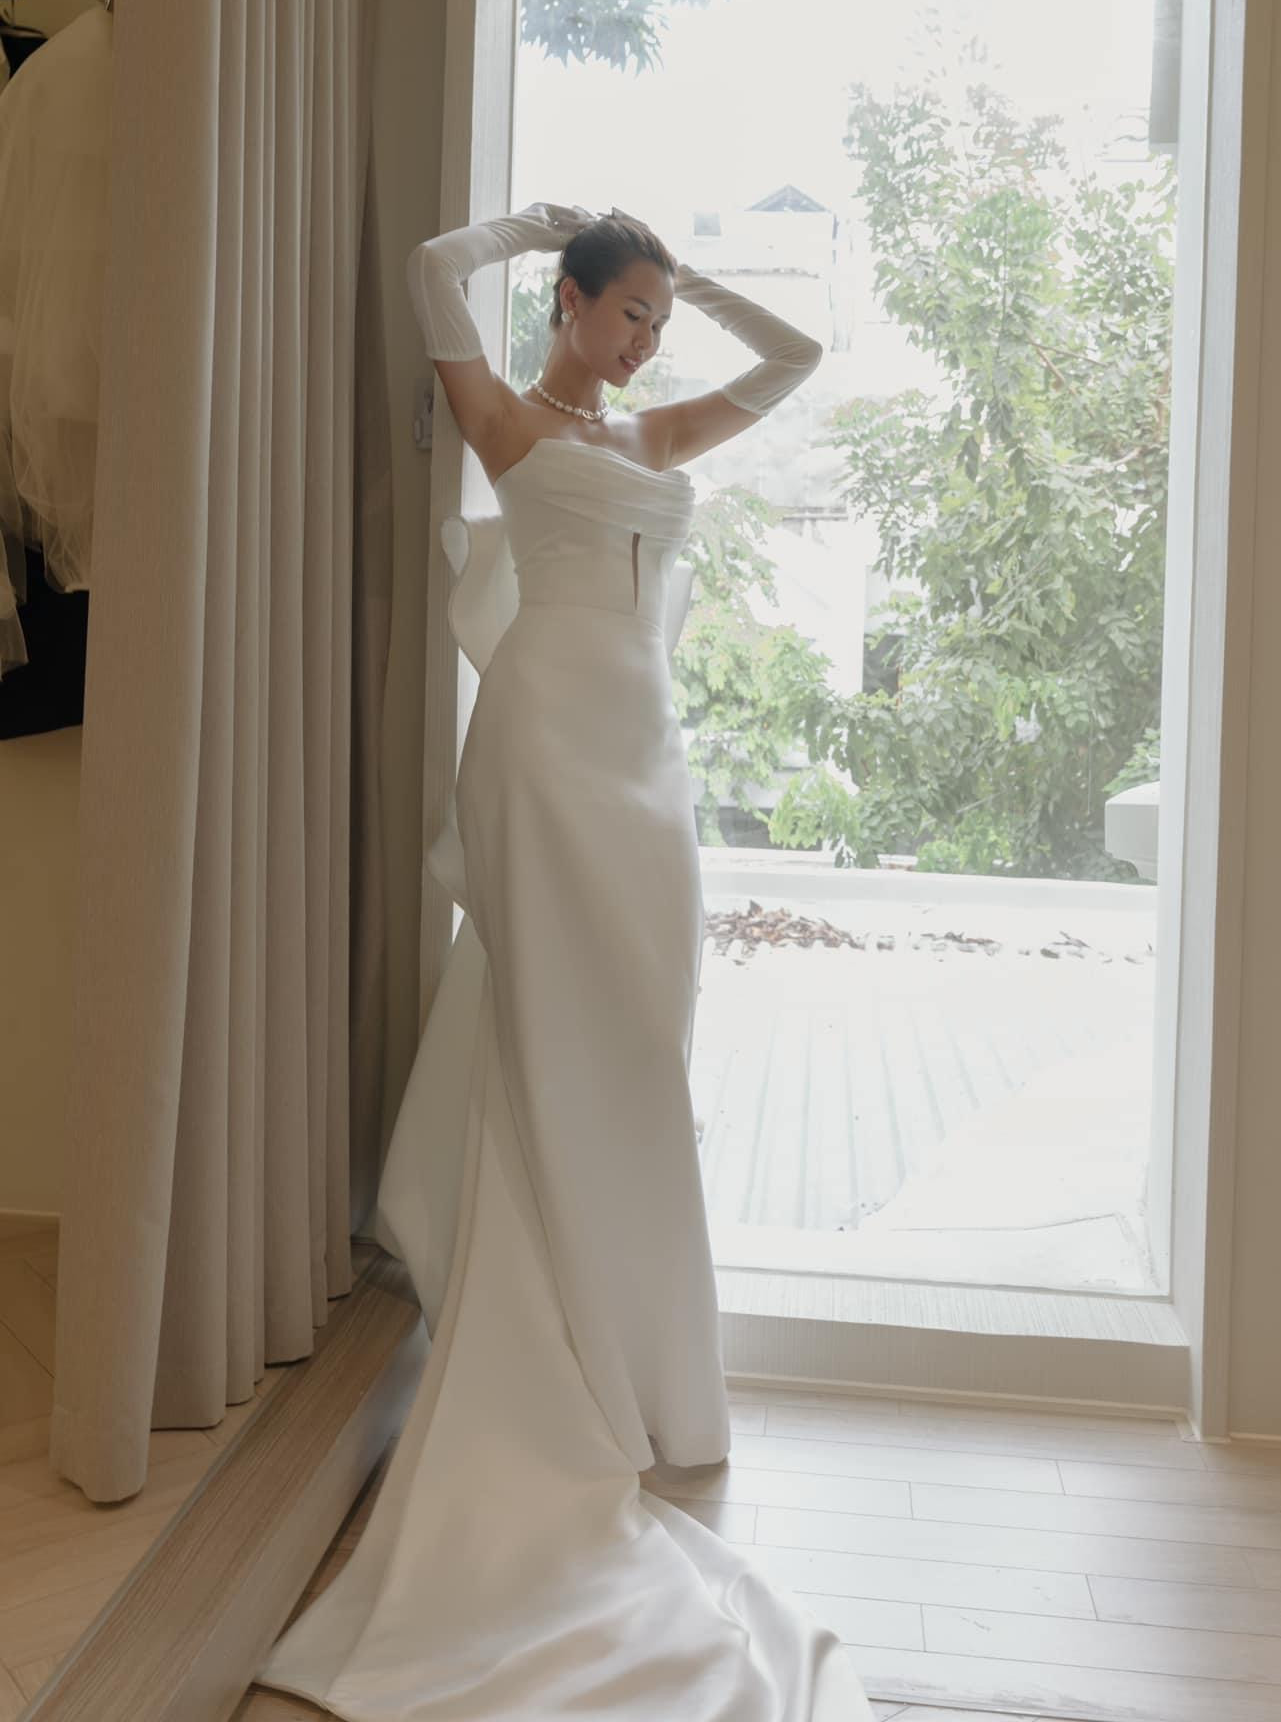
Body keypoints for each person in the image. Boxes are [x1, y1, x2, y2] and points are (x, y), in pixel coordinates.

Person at [256, 205, 875, 1719]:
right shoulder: (505, 423)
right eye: (630, 309)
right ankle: (554, 1350)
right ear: (571, 300)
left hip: (644, 760)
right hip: (539, 741)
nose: (648, 338)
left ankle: (642, 1362)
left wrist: (700, 280)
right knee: (550, 1032)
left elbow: (795, 359)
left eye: (659, 317)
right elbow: (428, 274)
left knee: (646, 1043)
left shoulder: (654, 436)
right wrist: (532, 226)